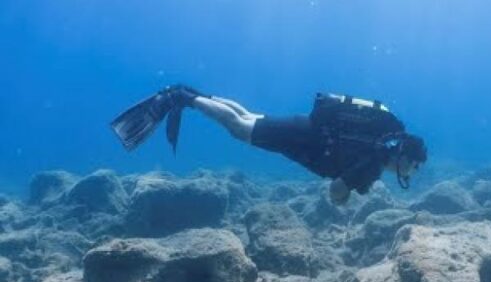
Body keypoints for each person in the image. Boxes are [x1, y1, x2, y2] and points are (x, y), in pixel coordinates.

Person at [111, 85, 428, 204]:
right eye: (414, 166)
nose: (411, 174)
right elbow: (336, 191)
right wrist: (342, 199)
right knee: (239, 128)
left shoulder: (379, 145)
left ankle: (195, 95)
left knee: (249, 118)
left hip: (305, 130)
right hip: (305, 139)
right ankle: (183, 98)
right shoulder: (373, 161)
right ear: (405, 156)